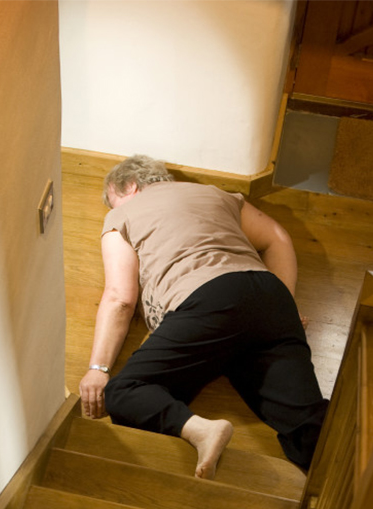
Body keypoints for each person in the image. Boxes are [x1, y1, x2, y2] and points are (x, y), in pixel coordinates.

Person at [79, 154, 328, 479]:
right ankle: (364, 485)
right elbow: (277, 238)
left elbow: (120, 298)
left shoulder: (121, 215)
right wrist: (288, 304)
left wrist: (98, 368)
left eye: (111, 199)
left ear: (129, 185)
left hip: (207, 300)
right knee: (307, 425)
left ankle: (201, 431)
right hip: (268, 297)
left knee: (125, 392)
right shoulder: (217, 195)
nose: (111, 207)